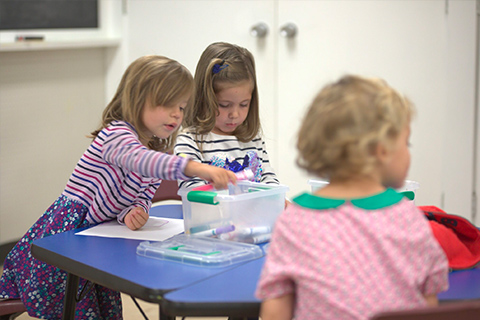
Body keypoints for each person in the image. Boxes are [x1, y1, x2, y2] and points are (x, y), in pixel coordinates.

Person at [0, 55, 236, 319]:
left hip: (99, 235)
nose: (176, 114)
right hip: (70, 230)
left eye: (181, 107)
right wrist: (196, 168)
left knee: (99, 308)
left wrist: (135, 210)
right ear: (136, 99)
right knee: (73, 305)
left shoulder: (155, 146)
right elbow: (141, 161)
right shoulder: (116, 134)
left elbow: (143, 193)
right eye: (167, 104)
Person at [255, 75, 449, 320]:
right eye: (406, 143)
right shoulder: (407, 217)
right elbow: (428, 303)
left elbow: (276, 311)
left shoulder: (295, 221)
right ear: (382, 150)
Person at [174, 42, 279, 190]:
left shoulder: (253, 139)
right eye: (224, 105)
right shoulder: (190, 141)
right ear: (205, 99)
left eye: (244, 104)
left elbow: (267, 177)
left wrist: (277, 196)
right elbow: (192, 193)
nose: (234, 114)